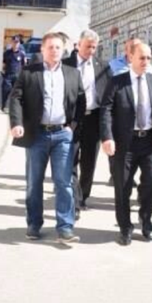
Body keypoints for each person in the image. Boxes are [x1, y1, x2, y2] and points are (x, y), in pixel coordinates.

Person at [9, 32, 86, 243]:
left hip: (63, 135)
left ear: (63, 50)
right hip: (37, 134)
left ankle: (65, 227)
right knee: (34, 182)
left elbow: (81, 102)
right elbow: (16, 98)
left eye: (58, 47)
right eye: (50, 47)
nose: (54, 51)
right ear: (42, 50)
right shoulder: (29, 72)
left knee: (64, 182)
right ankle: (34, 223)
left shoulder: (72, 74)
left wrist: (73, 126)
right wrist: (17, 123)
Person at [100, 42, 152, 246]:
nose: (146, 62)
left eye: (149, 58)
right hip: (124, 143)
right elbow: (106, 110)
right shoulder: (117, 82)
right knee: (123, 186)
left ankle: (145, 218)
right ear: (131, 57)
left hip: (149, 141)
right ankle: (125, 227)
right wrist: (107, 137)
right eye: (142, 58)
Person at [63, 29, 110, 217]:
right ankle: (74, 202)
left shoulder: (103, 67)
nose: (91, 50)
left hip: (93, 119)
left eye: (94, 47)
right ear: (78, 44)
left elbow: (109, 95)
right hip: (72, 120)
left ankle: (83, 196)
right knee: (70, 161)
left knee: (89, 163)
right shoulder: (65, 64)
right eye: (87, 46)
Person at [1, 36, 26, 110]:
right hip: (8, 75)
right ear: (11, 43)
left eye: (17, 42)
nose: (15, 44)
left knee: (17, 93)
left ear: (19, 43)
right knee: (5, 90)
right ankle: (3, 105)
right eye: (14, 42)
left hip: (17, 75)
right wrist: (3, 71)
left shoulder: (22, 54)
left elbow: (24, 65)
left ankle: (15, 107)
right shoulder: (7, 53)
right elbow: (4, 63)